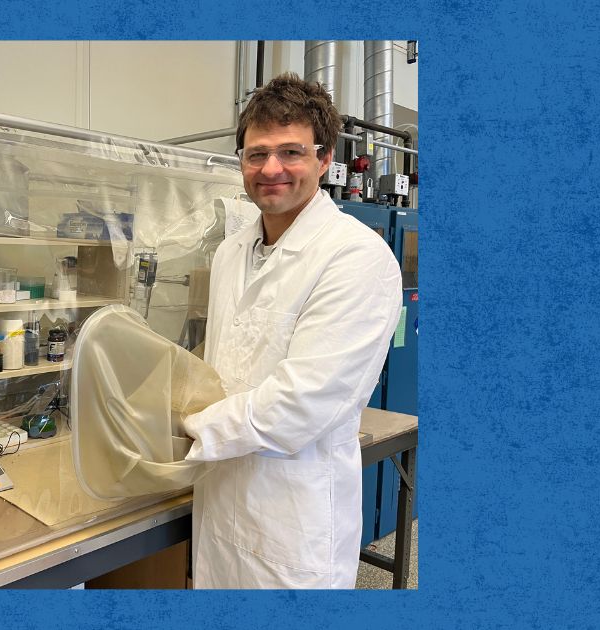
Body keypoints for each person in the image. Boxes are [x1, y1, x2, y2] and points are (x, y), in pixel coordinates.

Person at [182, 73, 402, 588]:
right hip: (220, 505)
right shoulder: (230, 250)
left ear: (325, 159)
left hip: (292, 524)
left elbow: (301, 405)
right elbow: (222, 367)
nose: (271, 169)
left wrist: (188, 429)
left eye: (291, 152)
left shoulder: (356, 258)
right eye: (256, 154)